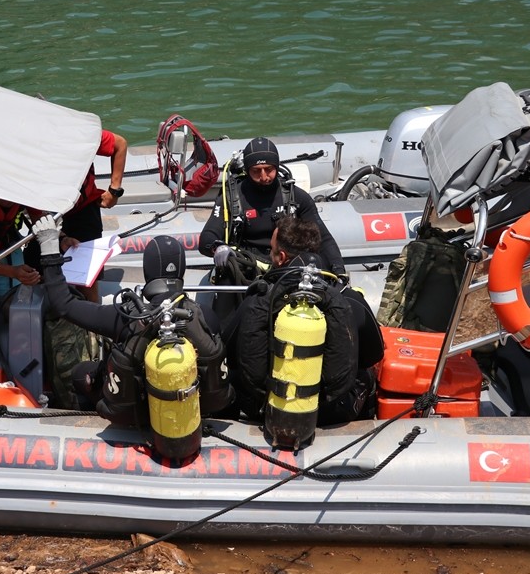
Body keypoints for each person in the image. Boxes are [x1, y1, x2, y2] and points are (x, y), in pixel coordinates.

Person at [34, 222, 233, 424]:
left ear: (147, 271)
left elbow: (64, 304)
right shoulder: (204, 315)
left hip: (136, 412)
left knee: (80, 373)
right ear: (181, 270)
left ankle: (81, 414)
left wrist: (49, 250)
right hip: (189, 408)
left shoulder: (126, 317)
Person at [221, 215, 379, 427]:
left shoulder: (256, 302)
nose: (269, 254)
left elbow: (228, 352)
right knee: (367, 374)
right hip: (332, 412)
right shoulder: (350, 300)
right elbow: (374, 354)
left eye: (271, 249)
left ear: (281, 257)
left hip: (269, 409)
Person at [198, 136, 346, 277]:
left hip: (287, 264)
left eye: (269, 169)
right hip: (246, 263)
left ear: (276, 166)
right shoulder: (231, 197)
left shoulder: (295, 197)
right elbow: (208, 236)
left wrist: (339, 271)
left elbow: (323, 238)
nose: (263, 177)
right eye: (256, 171)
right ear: (247, 170)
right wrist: (218, 248)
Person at [24, 128, 128, 302]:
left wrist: (114, 190)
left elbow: (120, 144)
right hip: (47, 210)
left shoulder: (79, 132)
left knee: (87, 274)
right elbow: (35, 212)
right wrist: (60, 237)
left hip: (83, 208)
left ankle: (92, 318)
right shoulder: (28, 151)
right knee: (36, 266)